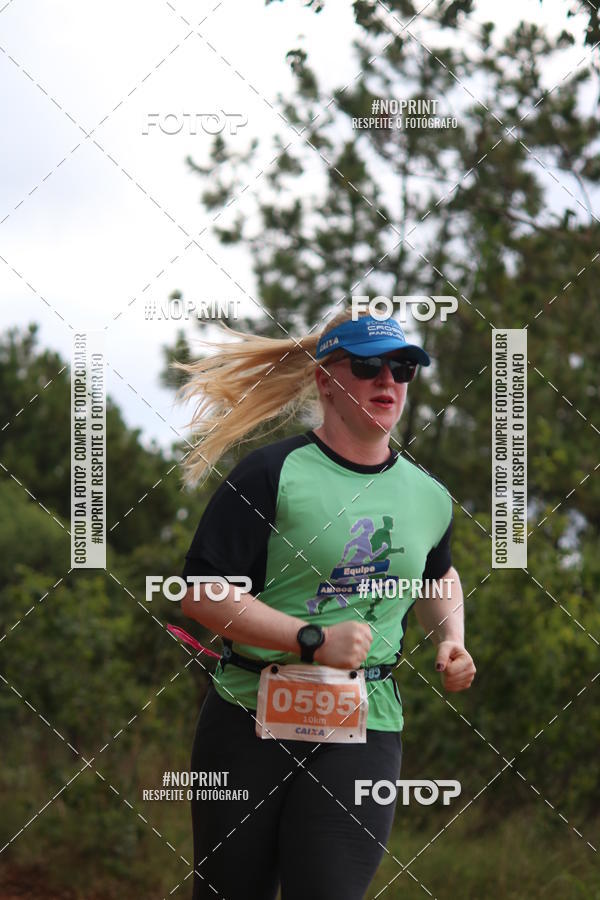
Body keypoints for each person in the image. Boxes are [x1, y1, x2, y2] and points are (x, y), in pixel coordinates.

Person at [176, 309, 476, 900]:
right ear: (324, 379)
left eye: (402, 368)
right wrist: (309, 638)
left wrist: (450, 638)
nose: (386, 381)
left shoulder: (429, 496)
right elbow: (202, 593)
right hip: (247, 721)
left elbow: (437, 577)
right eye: (366, 367)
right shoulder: (270, 473)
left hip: (364, 731)